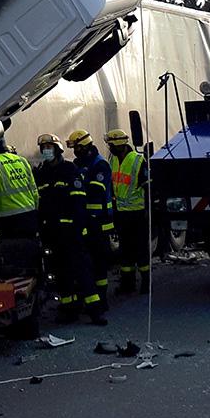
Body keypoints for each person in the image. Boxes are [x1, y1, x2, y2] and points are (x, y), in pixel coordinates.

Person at [35, 133, 107, 325]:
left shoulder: (69, 169)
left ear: (58, 150)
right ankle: (68, 309)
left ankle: (95, 311)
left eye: (49, 148)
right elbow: (40, 204)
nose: (46, 151)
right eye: (44, 149)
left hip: (71, 231)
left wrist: (79, 227)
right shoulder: (41, 174)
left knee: (82, 270)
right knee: (60, 273)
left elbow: (79, 200)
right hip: (51, 232)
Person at [67, 129, 115, 304]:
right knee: (86, 261)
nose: (74, 151)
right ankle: (88, 297)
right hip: (84, 220)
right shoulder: (78, 163)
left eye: (77, 147)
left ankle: (101, 298)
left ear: (84, 146)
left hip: (99, 221)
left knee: (99, 261)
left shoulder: (100, 164)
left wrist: (77, 188)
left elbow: (96, 189)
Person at [105, 129, 149, 294]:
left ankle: (146, 283)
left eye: (111, 145)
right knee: (125, 251)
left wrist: (148, 210)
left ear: (120, 145)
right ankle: (128, 284)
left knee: (141, 250)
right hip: (121, 213)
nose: (110, 148)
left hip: (137, 213)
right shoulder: (113, 160)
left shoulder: (138, 161)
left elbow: (148, 188)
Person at [0, 136, 39, 241]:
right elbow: (34, 191)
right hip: (29, 217)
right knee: (29, 252)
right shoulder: (22, 161)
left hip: (7, 220)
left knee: (11, 252)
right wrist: (35, 212)